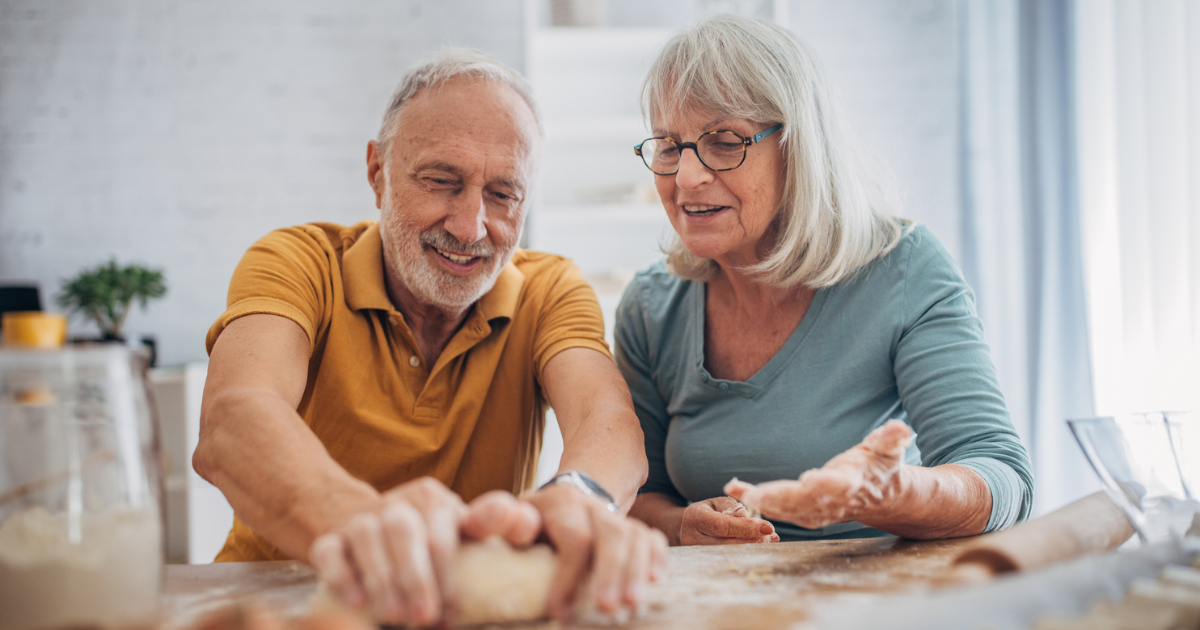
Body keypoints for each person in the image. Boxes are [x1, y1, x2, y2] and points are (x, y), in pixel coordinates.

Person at [194, 48, 667, 627]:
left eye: (503, 194)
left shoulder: (551, 288)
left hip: (460, 612)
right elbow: (235, 416)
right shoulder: (297, 261)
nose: (470, 228)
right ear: (377, 172)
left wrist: (578, 497)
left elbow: (607, 421)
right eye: (442, 182)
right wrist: (360, 524)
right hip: (282, 606)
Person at [616, 15, 1033, 546]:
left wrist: (895, 493)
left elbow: (1003, 476)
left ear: (799, 148)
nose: (687, 176)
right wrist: (681, 526)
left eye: (724, 140)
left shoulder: (902, 268)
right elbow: (635, 497)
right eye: (670, 145)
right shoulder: (651, 308)